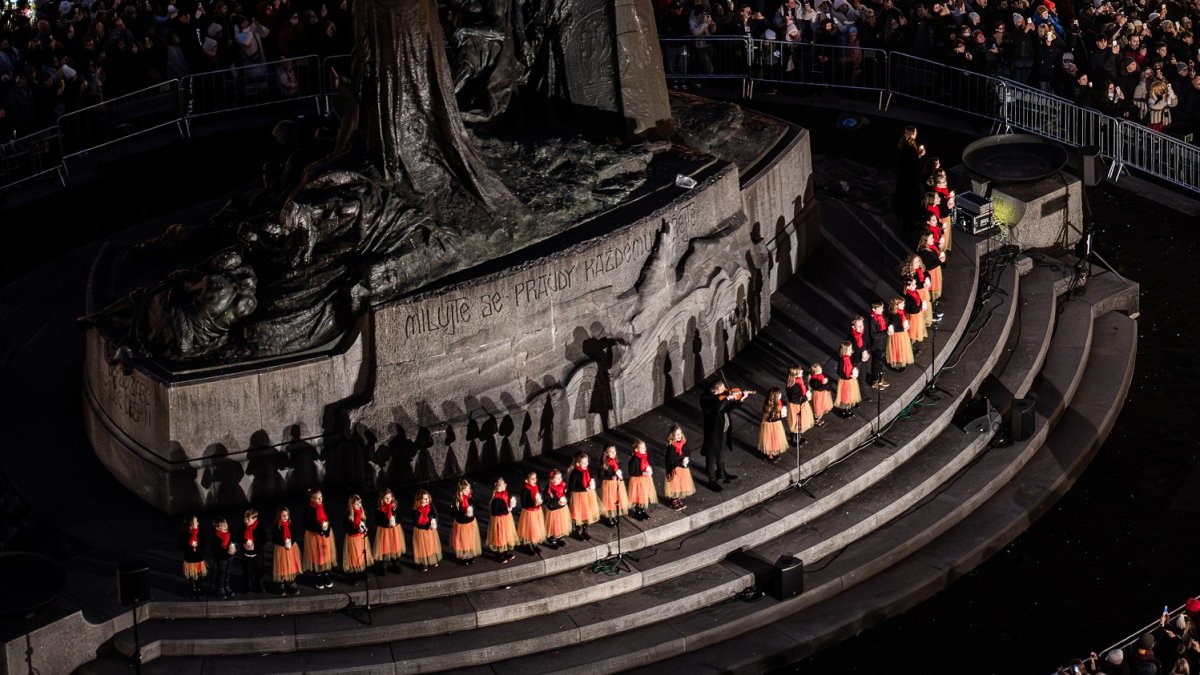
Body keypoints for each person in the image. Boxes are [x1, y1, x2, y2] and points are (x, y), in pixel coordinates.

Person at [700, 380, 749, 492]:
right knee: (712, 455)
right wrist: (726, 399)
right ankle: (711, 479)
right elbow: (715, 409)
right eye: (722, 389)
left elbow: (727, 408)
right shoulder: (706, 399)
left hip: (722, 428)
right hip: (713, 431)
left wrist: (741, 399)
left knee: (721, 451)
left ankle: (721, 472)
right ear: (714, 390)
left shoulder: (721, 397)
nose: (725, 390)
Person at [302, 488, 336, 589]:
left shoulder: (324, 506)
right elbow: (306, 524)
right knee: (317, 555)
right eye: (318, 498)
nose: (320, 499)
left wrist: (326, 528)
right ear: (312, 499)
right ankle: (318, 575)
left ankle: (326, 573)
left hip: (325, 535)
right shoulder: (308, 509)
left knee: (325, 554)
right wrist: (319, 529)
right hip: (314, 536)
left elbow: (330, 517)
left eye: (321, 497)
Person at [568, 452, 601, 540]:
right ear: (578, 463)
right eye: (584, 463)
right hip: (579, 496)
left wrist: (592, 483)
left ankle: (585, 530)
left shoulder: (588, 470)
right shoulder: (575, 473)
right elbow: (571, 487)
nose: (586, 464)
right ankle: (578, 530)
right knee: (579, 513)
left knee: (587, 512)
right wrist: (583, 488)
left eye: (587, 462)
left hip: (588, 495)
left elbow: (592, 477)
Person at [373, 488, 405, 575]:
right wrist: (386, 524)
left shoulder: (394, 506)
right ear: (382, 499)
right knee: (385, 548)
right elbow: (377, 520)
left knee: (395, 547)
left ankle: (396, 565)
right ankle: (383, 566)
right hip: (384, 531)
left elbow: (400, 516)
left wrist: (396, 522)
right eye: (386, 498)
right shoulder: (379, 508)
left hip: (394, 530)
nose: (388, 499)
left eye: (390, 497)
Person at [487, 477, 519, 563]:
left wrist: (511, 504)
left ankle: (505, 551)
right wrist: (507, 510)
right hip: (499, 520)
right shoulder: (496, 499)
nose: (505, 485)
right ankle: (498, 554)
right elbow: (494, 512)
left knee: (506, 535)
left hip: (506, 519)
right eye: (503, 484)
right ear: (498, 488)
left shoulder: (504, 494)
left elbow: (506, 504)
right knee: (499, 537)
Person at [451, 480, 483, 565]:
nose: (468, 491)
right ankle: (463, 556)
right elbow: (453, 513)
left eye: (469, 489)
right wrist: (464, 514)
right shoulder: (457, 500)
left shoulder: (470, 498)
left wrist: (473, 510)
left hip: (470, 522)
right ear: (460, 491)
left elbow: (477, 507)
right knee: (462, 540)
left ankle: (469, 555)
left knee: (470, 539)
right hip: (462, 523)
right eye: (465, 490)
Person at [664, 425, 695, 510]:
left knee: (681, 484)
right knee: (675, 485)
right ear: (672, 435)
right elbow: (670, 459)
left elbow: (687, 452)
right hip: (674, 468)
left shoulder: (683, 443)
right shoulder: (671, 446)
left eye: (680, 433)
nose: (679, 436)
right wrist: (680, 460)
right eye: (677, 434)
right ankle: (673, 499)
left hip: (682, 468)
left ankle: (678, 498)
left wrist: (686, 459)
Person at [271, 506, 301, 596]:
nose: (285, 517)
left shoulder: (290, 524)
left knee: (291, 565)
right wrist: (283, 543)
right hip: (281, 549)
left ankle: (292, 582)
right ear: (279, 516)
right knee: (282, 566)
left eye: (287, 515)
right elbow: (274, 538)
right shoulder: (276, 526)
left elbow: (295, 534)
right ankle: (281, 584)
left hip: (291, 548)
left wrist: (291, 542)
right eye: (283, 515)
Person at [342, 494, 373, 581]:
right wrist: (356, 530)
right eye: (356, 504)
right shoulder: (348, 515)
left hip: (361, 538)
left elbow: (364, 523)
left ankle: (362, 571)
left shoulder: (362, 512)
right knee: (354, 556)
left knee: (361, 554)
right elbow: (347, 529)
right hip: (353, 539)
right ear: (351, 505)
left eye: (360, 503)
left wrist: (364, 528)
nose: (359, 505)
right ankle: (353, 574)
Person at [599, 445, 631, 526]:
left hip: (616, 484)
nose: (614, 453)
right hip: (608, 485)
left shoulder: (616, 461)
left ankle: (613, 515)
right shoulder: (604, 464)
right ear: (606, 453)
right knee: (609, 501)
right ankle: (609, 517)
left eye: (614, 451)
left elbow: (618, 470)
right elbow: (601, 476)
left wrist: (619, 475)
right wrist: (610, 477)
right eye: (611, 451)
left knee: (615, 500)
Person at [517, 471, 548, 555]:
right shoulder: (525, 490)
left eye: (535, 478)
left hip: (537, 511)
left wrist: (539, 501)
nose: (535, 480)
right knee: (529, 529)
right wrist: (534, 503)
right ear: (526, 480)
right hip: (529, 512)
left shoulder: (536, 486)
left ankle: (534, 544)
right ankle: (528, 545)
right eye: (532, 479)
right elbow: (523, 504)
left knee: (536, 528)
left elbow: (538, 496)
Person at [412, 489, 442, 571]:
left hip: (430, 530)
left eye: (427, 498)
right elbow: (415, 522)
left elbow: (435, 515)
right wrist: (425, 527)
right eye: (424, 499)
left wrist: (434, 521)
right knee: (423, 547)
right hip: (421, 531)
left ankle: (433, 559)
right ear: (419, 500)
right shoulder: (416, 509)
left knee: (431, 545)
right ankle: (424, 563)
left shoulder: (430, 505)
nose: (427, 500)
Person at [627, 440, 657, 521]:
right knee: (638, 496)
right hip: (637, 480)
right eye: (642, 448)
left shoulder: (647, 456)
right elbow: (631, 472)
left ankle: (643, 510)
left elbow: (652, 464)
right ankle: (638, 511)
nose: (644, 449)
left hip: (646, 480)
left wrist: (651, 469)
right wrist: (643, 473)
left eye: (645, 447)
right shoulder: (634, 459)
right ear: (636, 450)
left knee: (644, 496)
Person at [785, 365, 815, 444]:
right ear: (795, 374)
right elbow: (794, 399)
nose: (802, 371)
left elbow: (801, 391)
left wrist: (806, 392)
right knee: (797, 423)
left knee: (801, 422)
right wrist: (805, 397)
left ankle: (799, 437)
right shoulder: (794, 386)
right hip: (796, 406)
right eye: (800, 371)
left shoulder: (798, 380)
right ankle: (794, 440)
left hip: (800, 404)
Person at [179, 515, 207, 599]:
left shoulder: (200, 532)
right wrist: (189, 545)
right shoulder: (184, 533)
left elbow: (205, 542)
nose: (198, 523)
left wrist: (198, 544)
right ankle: (193, 589)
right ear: (190, 524)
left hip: (199, 560)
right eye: (195, 522)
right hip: (189, 560)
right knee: (191, 577)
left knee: (200, 576)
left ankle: (199, 589)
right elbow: (180, 546)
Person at [757, 387, 789, 462]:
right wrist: (781, 414)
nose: (781, 395)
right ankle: (770, 454)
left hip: (771, 423)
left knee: (774, 438)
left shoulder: (770, 402)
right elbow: (774, 417)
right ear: (775, 396)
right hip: (772, 424)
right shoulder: (773, 406)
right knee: (771, 438)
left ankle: (773, 452)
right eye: (779, 394)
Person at [240, 508, 266, 594]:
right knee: (247, 571)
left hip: (257, 555)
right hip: (246, 555)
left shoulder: (260, 528)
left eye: (249, 519)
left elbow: (264, 541)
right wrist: (243, 544)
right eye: (245, 518)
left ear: (255, 519)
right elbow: (238, 538)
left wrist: (255, 546)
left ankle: (259, 583)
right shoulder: (242, 528)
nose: (246, 521)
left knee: (259, 570)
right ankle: (249, 586)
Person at [543, 470, 571, 548]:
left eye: (560, 477)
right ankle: (552, 539)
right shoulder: (548, 490)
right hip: (554, 511)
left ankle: (560, 537)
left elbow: (567, 494)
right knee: (554, 525)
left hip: (562, 509)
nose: (559, 479)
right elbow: (548, 502)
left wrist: (566, 500)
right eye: (557, 478)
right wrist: (557, 503)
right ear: (552, 480)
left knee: (561, 523)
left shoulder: (563, 485)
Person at [866, 302, 891, 390]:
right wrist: (885, 332)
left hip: (882, 343)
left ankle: (880, 378)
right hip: (876, 346)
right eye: (880, 308)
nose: (882, 310)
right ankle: (875, 381)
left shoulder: (881, 317)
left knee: (879, 363)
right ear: (874, 309)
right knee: (876, 364)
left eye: (882, 308)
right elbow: (873, 335)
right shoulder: (872, 320)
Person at [210, 517, 237, 599]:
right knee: (222, 573)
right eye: (223, 525)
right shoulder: (215, 538)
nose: (226, 526)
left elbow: (233, 541)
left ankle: (227, 586)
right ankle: (220, 589)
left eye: (226, 524)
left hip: (230, 557)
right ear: (217, 528)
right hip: (222, 559)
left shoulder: (229, 533)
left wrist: (234, 548)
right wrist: (227, 552)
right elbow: (216, 552)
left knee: (228, 573)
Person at [887, 296, 916, 370]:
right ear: (896, 305)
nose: (904, 305)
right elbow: (894, 327)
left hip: (902, 333)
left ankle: (901, 360)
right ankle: (898, 362)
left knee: (902, 348)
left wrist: (906, 324)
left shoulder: (900, 312)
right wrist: (904, 328)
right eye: (902, 304)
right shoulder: (894, 314)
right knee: (898, 348)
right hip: (898, 335)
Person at [847, 316, 873, 400]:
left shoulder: (863, 333)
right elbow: (848, 355)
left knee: (863, 376)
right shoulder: (850, 340)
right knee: (856, 380)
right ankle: (858, 395)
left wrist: (867, 352)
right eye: (859, 326)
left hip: (863, 360)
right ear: (853, 327)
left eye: (862, 325)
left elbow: (868, 344)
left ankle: (862, 392)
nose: (861, 328)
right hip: (855, 362)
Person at [834, 341, 862, 417]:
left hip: (850, 379)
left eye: (851, 349)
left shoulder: (850, 357)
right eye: (849, 349)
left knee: (850, 393)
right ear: (845, 350)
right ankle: (843, 411)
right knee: (845, 395)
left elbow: (852, 365)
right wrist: (848, 376)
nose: (851, 350)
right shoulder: (842, 360)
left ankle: (848, 407)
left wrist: (854, 370)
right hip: (845, 381)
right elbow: (839, 372)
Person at [917, 232, 946, 301]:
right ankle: (934, 298)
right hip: (932, 272)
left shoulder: (930, 246)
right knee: (934, 286)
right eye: (931, 238)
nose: (933, 239)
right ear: (925, 241)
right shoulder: (924, 253)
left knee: (937, 283)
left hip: (935, 269)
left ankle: (936, 296)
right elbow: (928, 267)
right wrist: (940, 261)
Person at [902, 276, 929, 346]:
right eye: (913, 285)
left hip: (917, 313)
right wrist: (920, 308)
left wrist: (921, 304)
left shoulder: (914, 292)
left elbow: (918, 299)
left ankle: (913, 339)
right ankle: (911, 342)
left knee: (917, 326)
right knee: (912, 328)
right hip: (913, 315)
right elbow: (912, 309)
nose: (915, 286)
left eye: (915, 284)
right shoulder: (908, 296)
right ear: (908, 287)